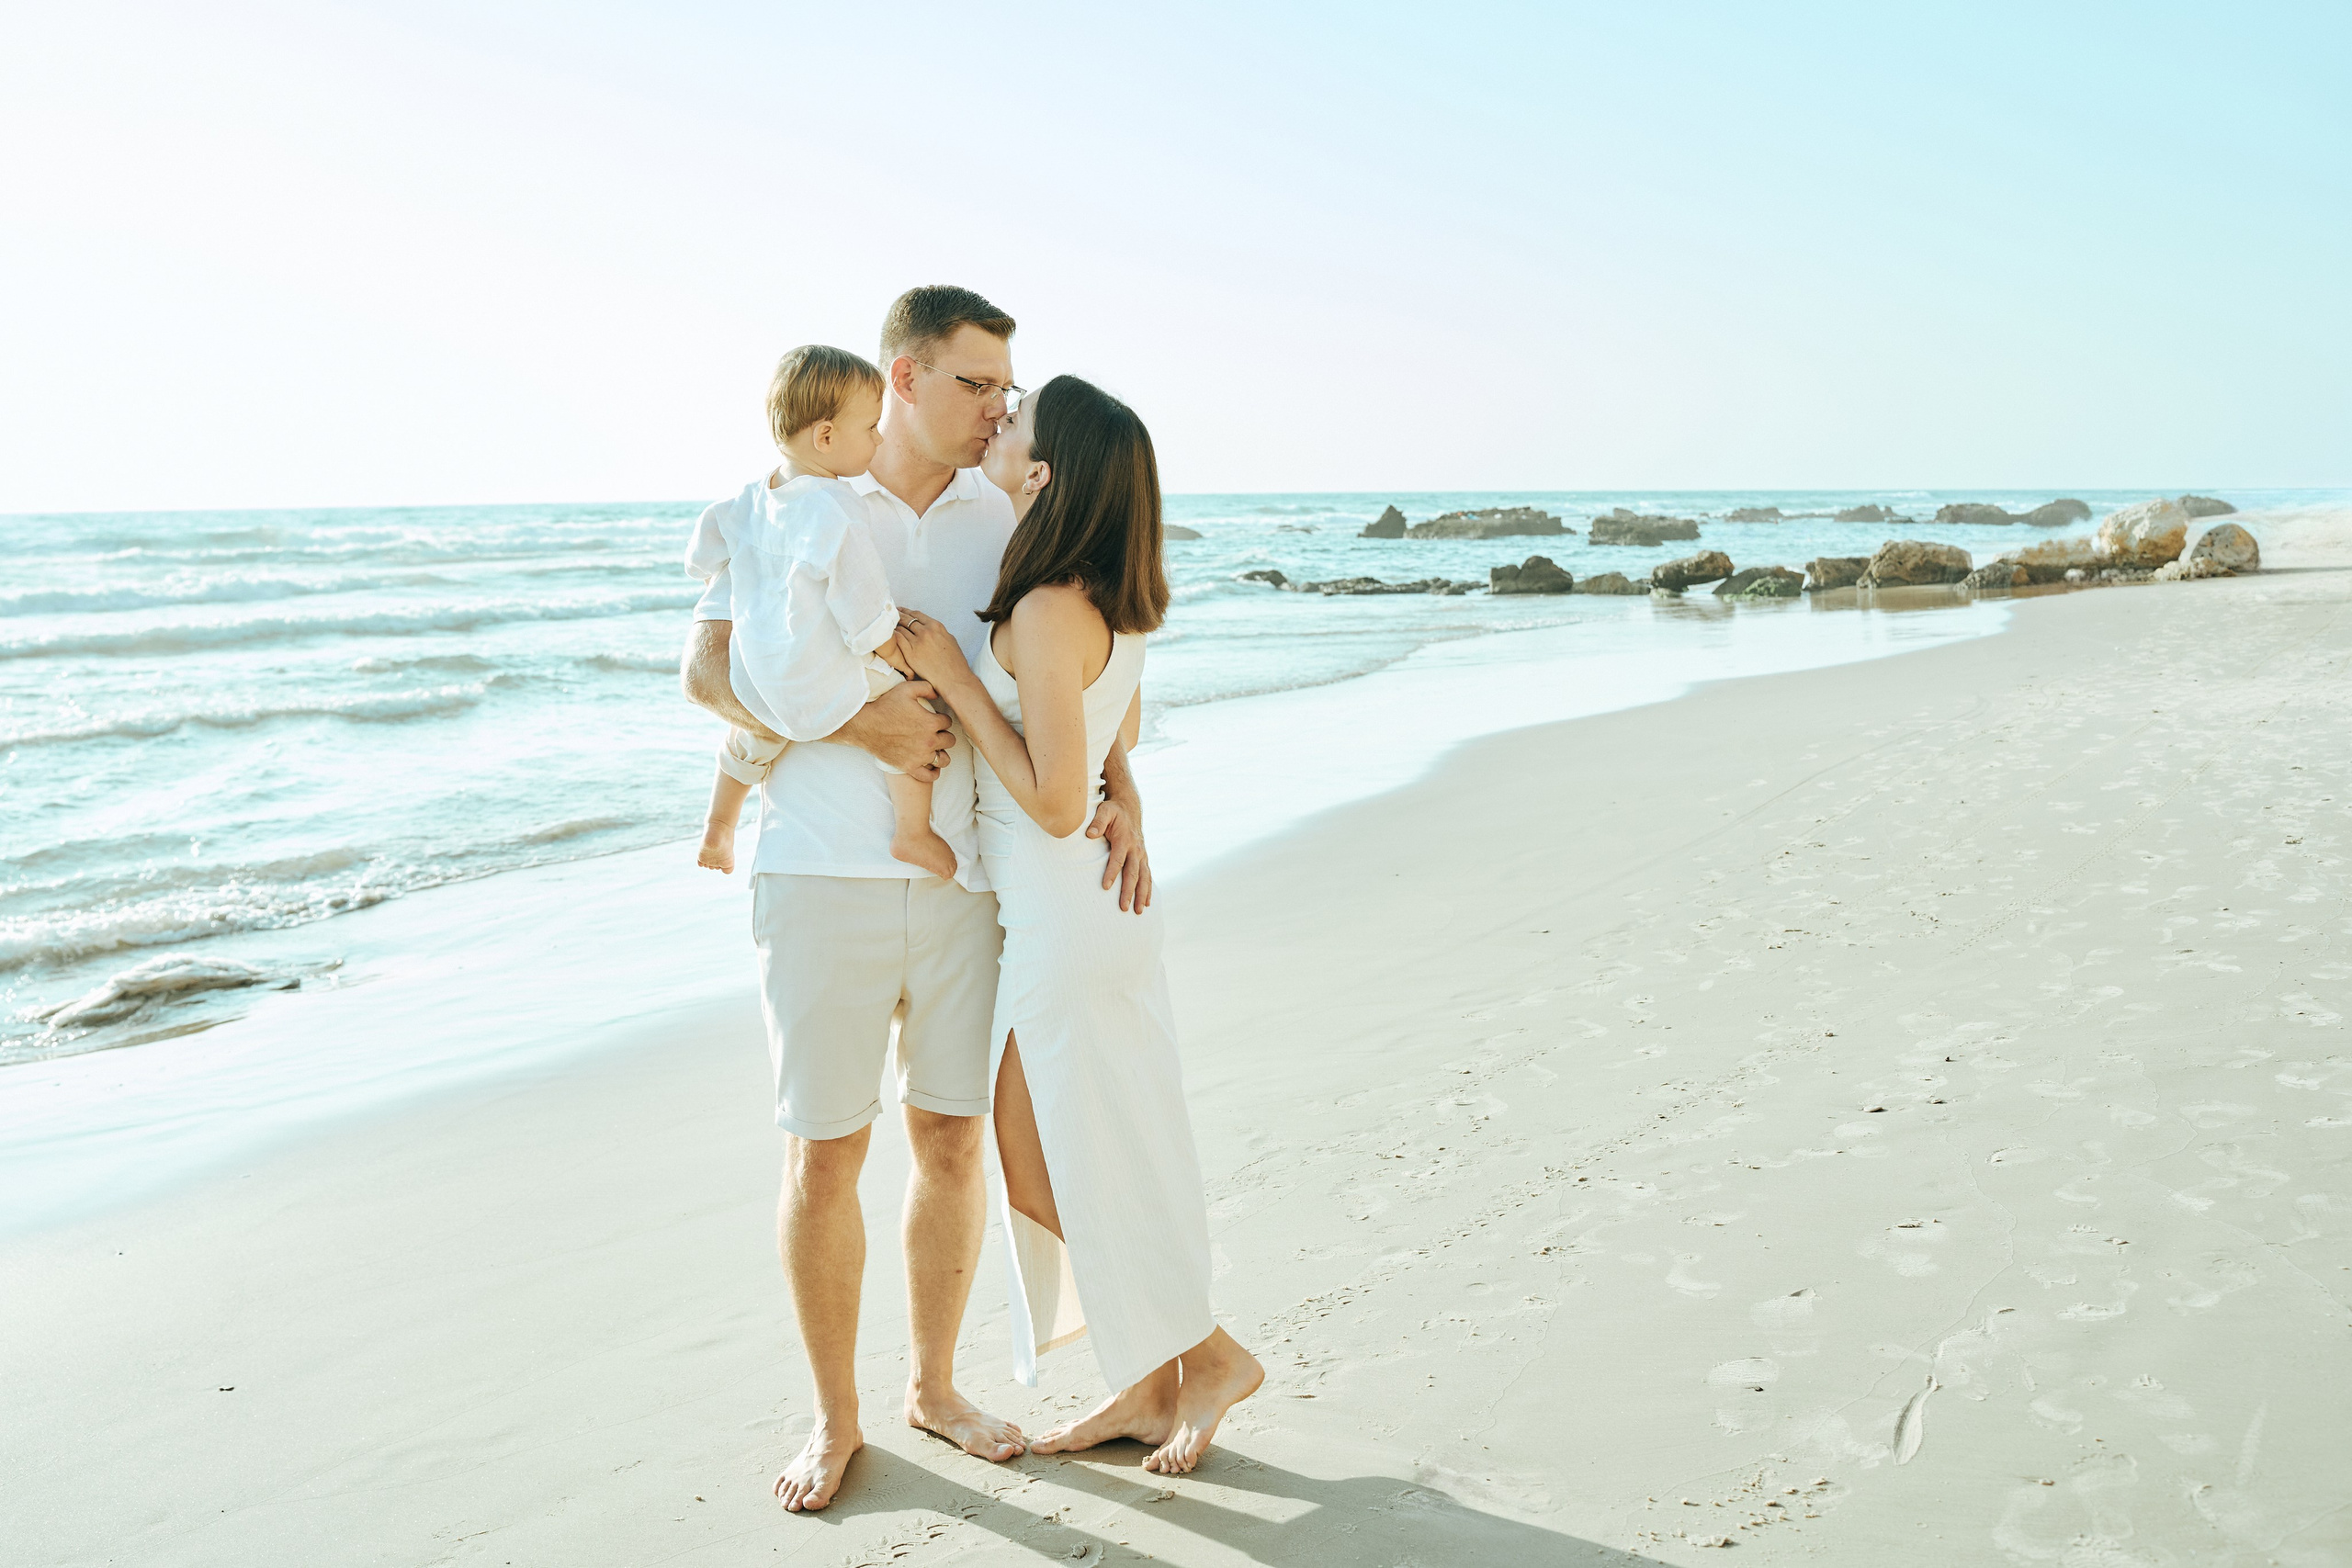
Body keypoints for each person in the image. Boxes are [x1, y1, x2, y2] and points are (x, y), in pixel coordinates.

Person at [679, 287, 1151, 1514]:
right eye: (973, 382)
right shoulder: (797, 499)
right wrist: (854, 719)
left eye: (1006, 387)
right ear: (903, 375)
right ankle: (834, 1419)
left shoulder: (1010, 509)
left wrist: (1125, 788)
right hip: (816, 871)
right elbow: (705, 673)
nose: (998, 406)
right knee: (823, 1150)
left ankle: (934, 1387)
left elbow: (1080, 658)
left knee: (949, 1137)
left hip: (971, 879)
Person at [893, 375, 1263, 1477]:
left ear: (1043, 473)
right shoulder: (1090, 595)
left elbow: (1058, 802)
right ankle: (1149, 1380)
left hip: (1065, 912)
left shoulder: (1048, 607)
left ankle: (1207, 1356)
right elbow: (1117, 735)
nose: (999, 420)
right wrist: (1126, 799)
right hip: (1082, 911)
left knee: (1057, 1156)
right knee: (1088, 1144)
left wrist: (955, 678)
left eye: (1016, 421)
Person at [684, 343, 958, 882]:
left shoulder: (750, 498)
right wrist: (892, 652)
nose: (879, 438)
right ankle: (914, 831)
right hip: (816, 663)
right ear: (826, 437)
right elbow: (861, 600)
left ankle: (719, 823)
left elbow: (702, 554)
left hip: (758, 665)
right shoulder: (835, 509)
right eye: (871, 428)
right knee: (914, 704)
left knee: (755, 731)